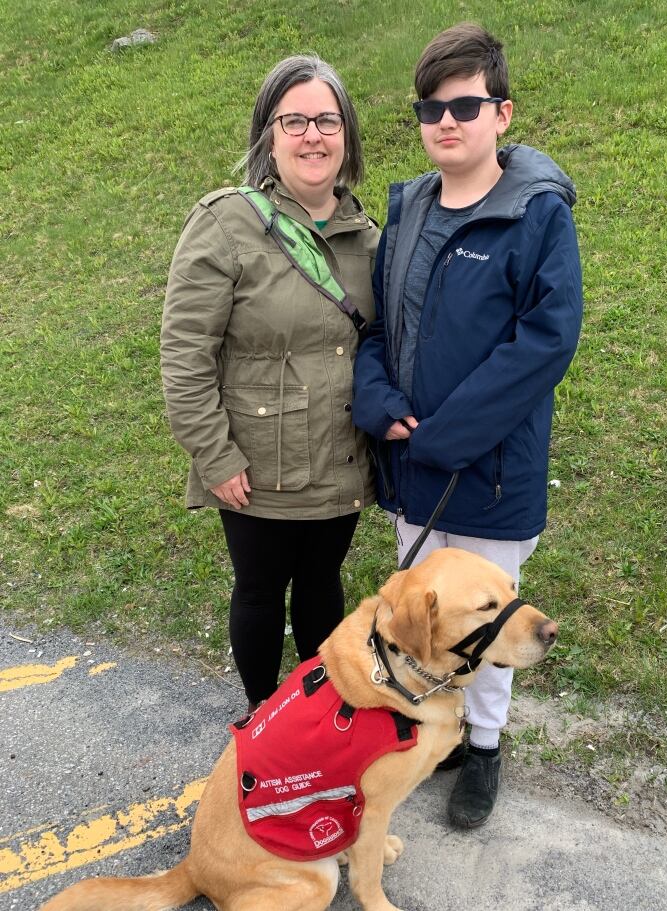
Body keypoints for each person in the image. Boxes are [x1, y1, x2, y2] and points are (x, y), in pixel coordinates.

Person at [352, 23, 583, 828]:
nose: (446, 120)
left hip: (487, 470)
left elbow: (545, 342)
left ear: (502, 113)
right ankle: (437, 731)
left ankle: (482, 746)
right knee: (424, 615)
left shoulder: (537, 214)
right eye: (430, 107)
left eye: (464, 104)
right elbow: (378, 329)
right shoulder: (409, 207)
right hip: (413, 468)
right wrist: (376, 400)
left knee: (486, 622)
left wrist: (447, 434)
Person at [161, 56, 378, 713]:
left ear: (347, 136)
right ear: (269, 136)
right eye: (295, 120)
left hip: (338, 461)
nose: (313, 135)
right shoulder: (226, 222)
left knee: (322, 586)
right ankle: (261, 720)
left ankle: (313, 722)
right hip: (254, 468)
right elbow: (184, 351)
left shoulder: (369, 238)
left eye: (327, 119)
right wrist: (214, 455)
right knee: (259, 591)